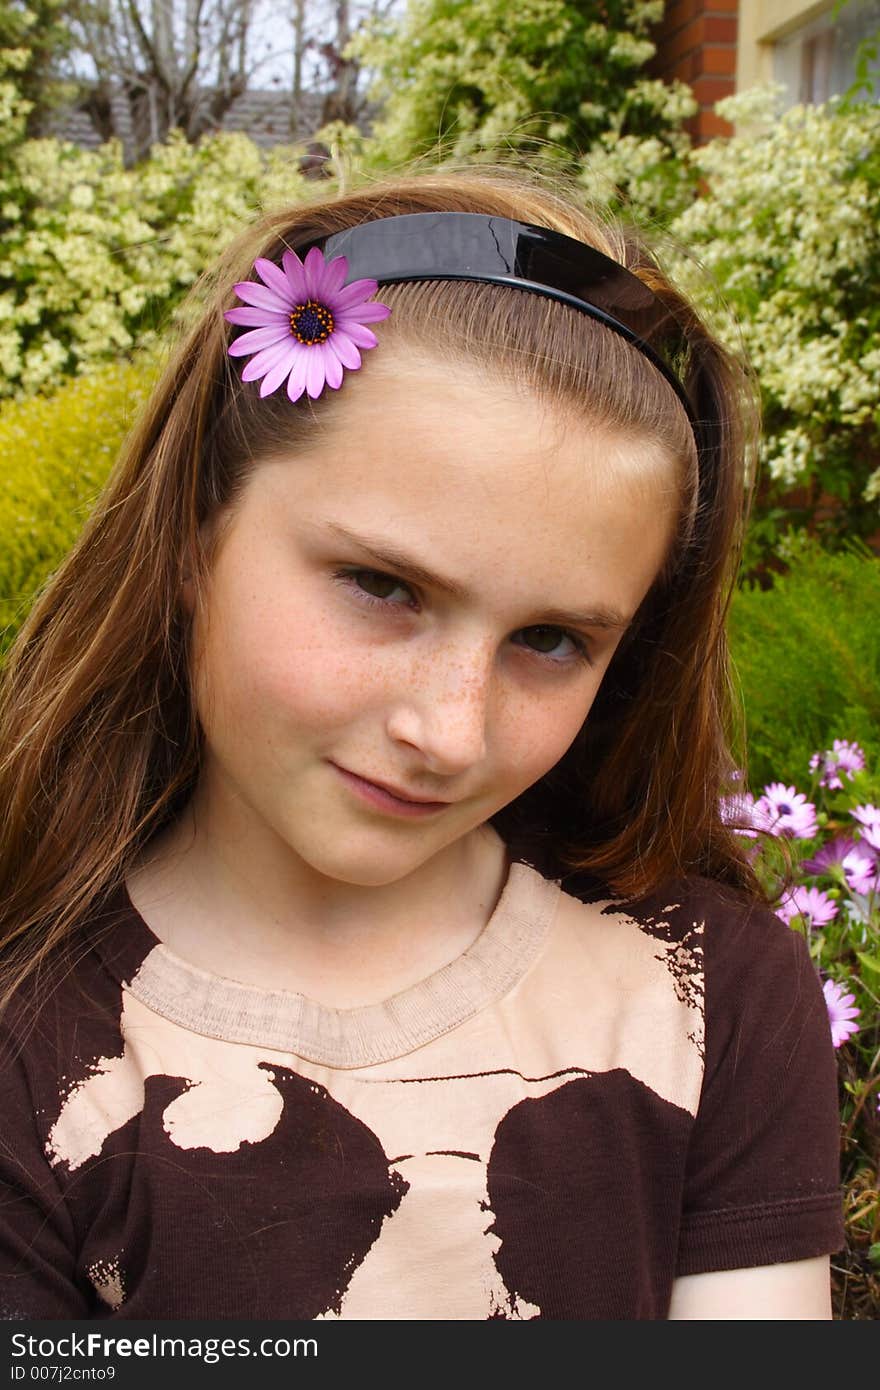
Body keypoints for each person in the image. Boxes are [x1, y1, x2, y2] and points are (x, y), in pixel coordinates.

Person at [0, 168, 844, 1321]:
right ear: (193, 536)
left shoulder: (715, 999)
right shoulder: (33, 1052)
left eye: (550, 638)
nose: (447, 731)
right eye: (382, 585)